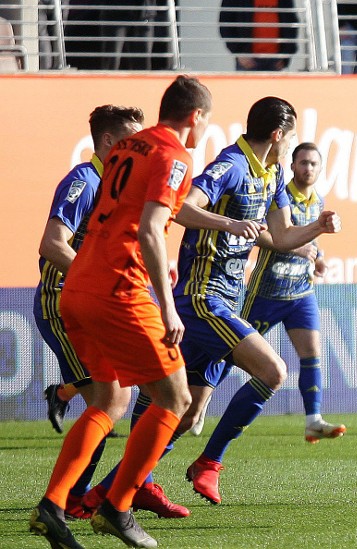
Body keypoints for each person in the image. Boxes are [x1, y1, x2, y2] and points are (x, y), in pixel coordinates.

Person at [28, 75, 212, 549]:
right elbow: (152, 229)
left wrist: (224, 221)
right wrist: (167, 307)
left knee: (110, 400)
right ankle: (117, 505)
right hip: (119, 290)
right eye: (205, 123)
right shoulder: (176, 156)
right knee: (176, 399)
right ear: (195, 118)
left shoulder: (130, 149)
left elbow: (146, 211)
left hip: (79, 288)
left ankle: (52, 505)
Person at [172, 97, 340, 505]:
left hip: (229, 296)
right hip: (201, 295)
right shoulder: (231, 165)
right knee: (272, 371)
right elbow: (181, 207)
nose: (294, 145)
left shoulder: (274, 172)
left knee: (188, 410)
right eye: (292, 137)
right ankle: (209, 463)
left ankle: (116, 485)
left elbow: (280, 238)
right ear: (278, 135)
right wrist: (229, 222)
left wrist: (317, 228)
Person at [193, 142, 346, 443]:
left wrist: (318, 258)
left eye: (314, 164)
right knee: (230, 352)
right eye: (303, 162)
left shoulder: (318, 202)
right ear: (293, 166)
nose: (308, 169)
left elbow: (312, 242)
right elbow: (262, 233)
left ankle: (313, 419)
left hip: (300, 293)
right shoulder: (280, 194)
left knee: (312, 353)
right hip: (266, 293)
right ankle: (200, 402)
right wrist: (301, 247)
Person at [33, 105, 144, 520]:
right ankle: (69, 498)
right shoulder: (84, 180)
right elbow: (52, 244)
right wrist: (98, 275)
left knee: (117, 395)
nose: (139, 148)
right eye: (132, 140)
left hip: (96, 303)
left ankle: (74, 495)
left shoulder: (116, 185)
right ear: (111, 142)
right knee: (111, 396)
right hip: (62, 302)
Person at [219, 0, 299, 71]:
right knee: (247, 88)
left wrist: (285, 56)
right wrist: (239, 52)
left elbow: (291, 24)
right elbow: (226, 24)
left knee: (275, 88)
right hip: (248, 60)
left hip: (276, 60)